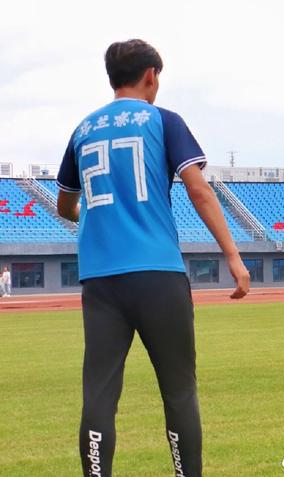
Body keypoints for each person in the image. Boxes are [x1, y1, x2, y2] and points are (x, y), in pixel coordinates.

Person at [56, 39, 250, 477]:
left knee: (99, 395)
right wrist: (234, 256)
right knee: (179, 391)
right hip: (158, 273)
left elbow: (65, 206)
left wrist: (98, 216)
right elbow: (198, 190)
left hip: (101, 280)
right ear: (151, 76)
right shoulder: (163, 120)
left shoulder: (83, 129)